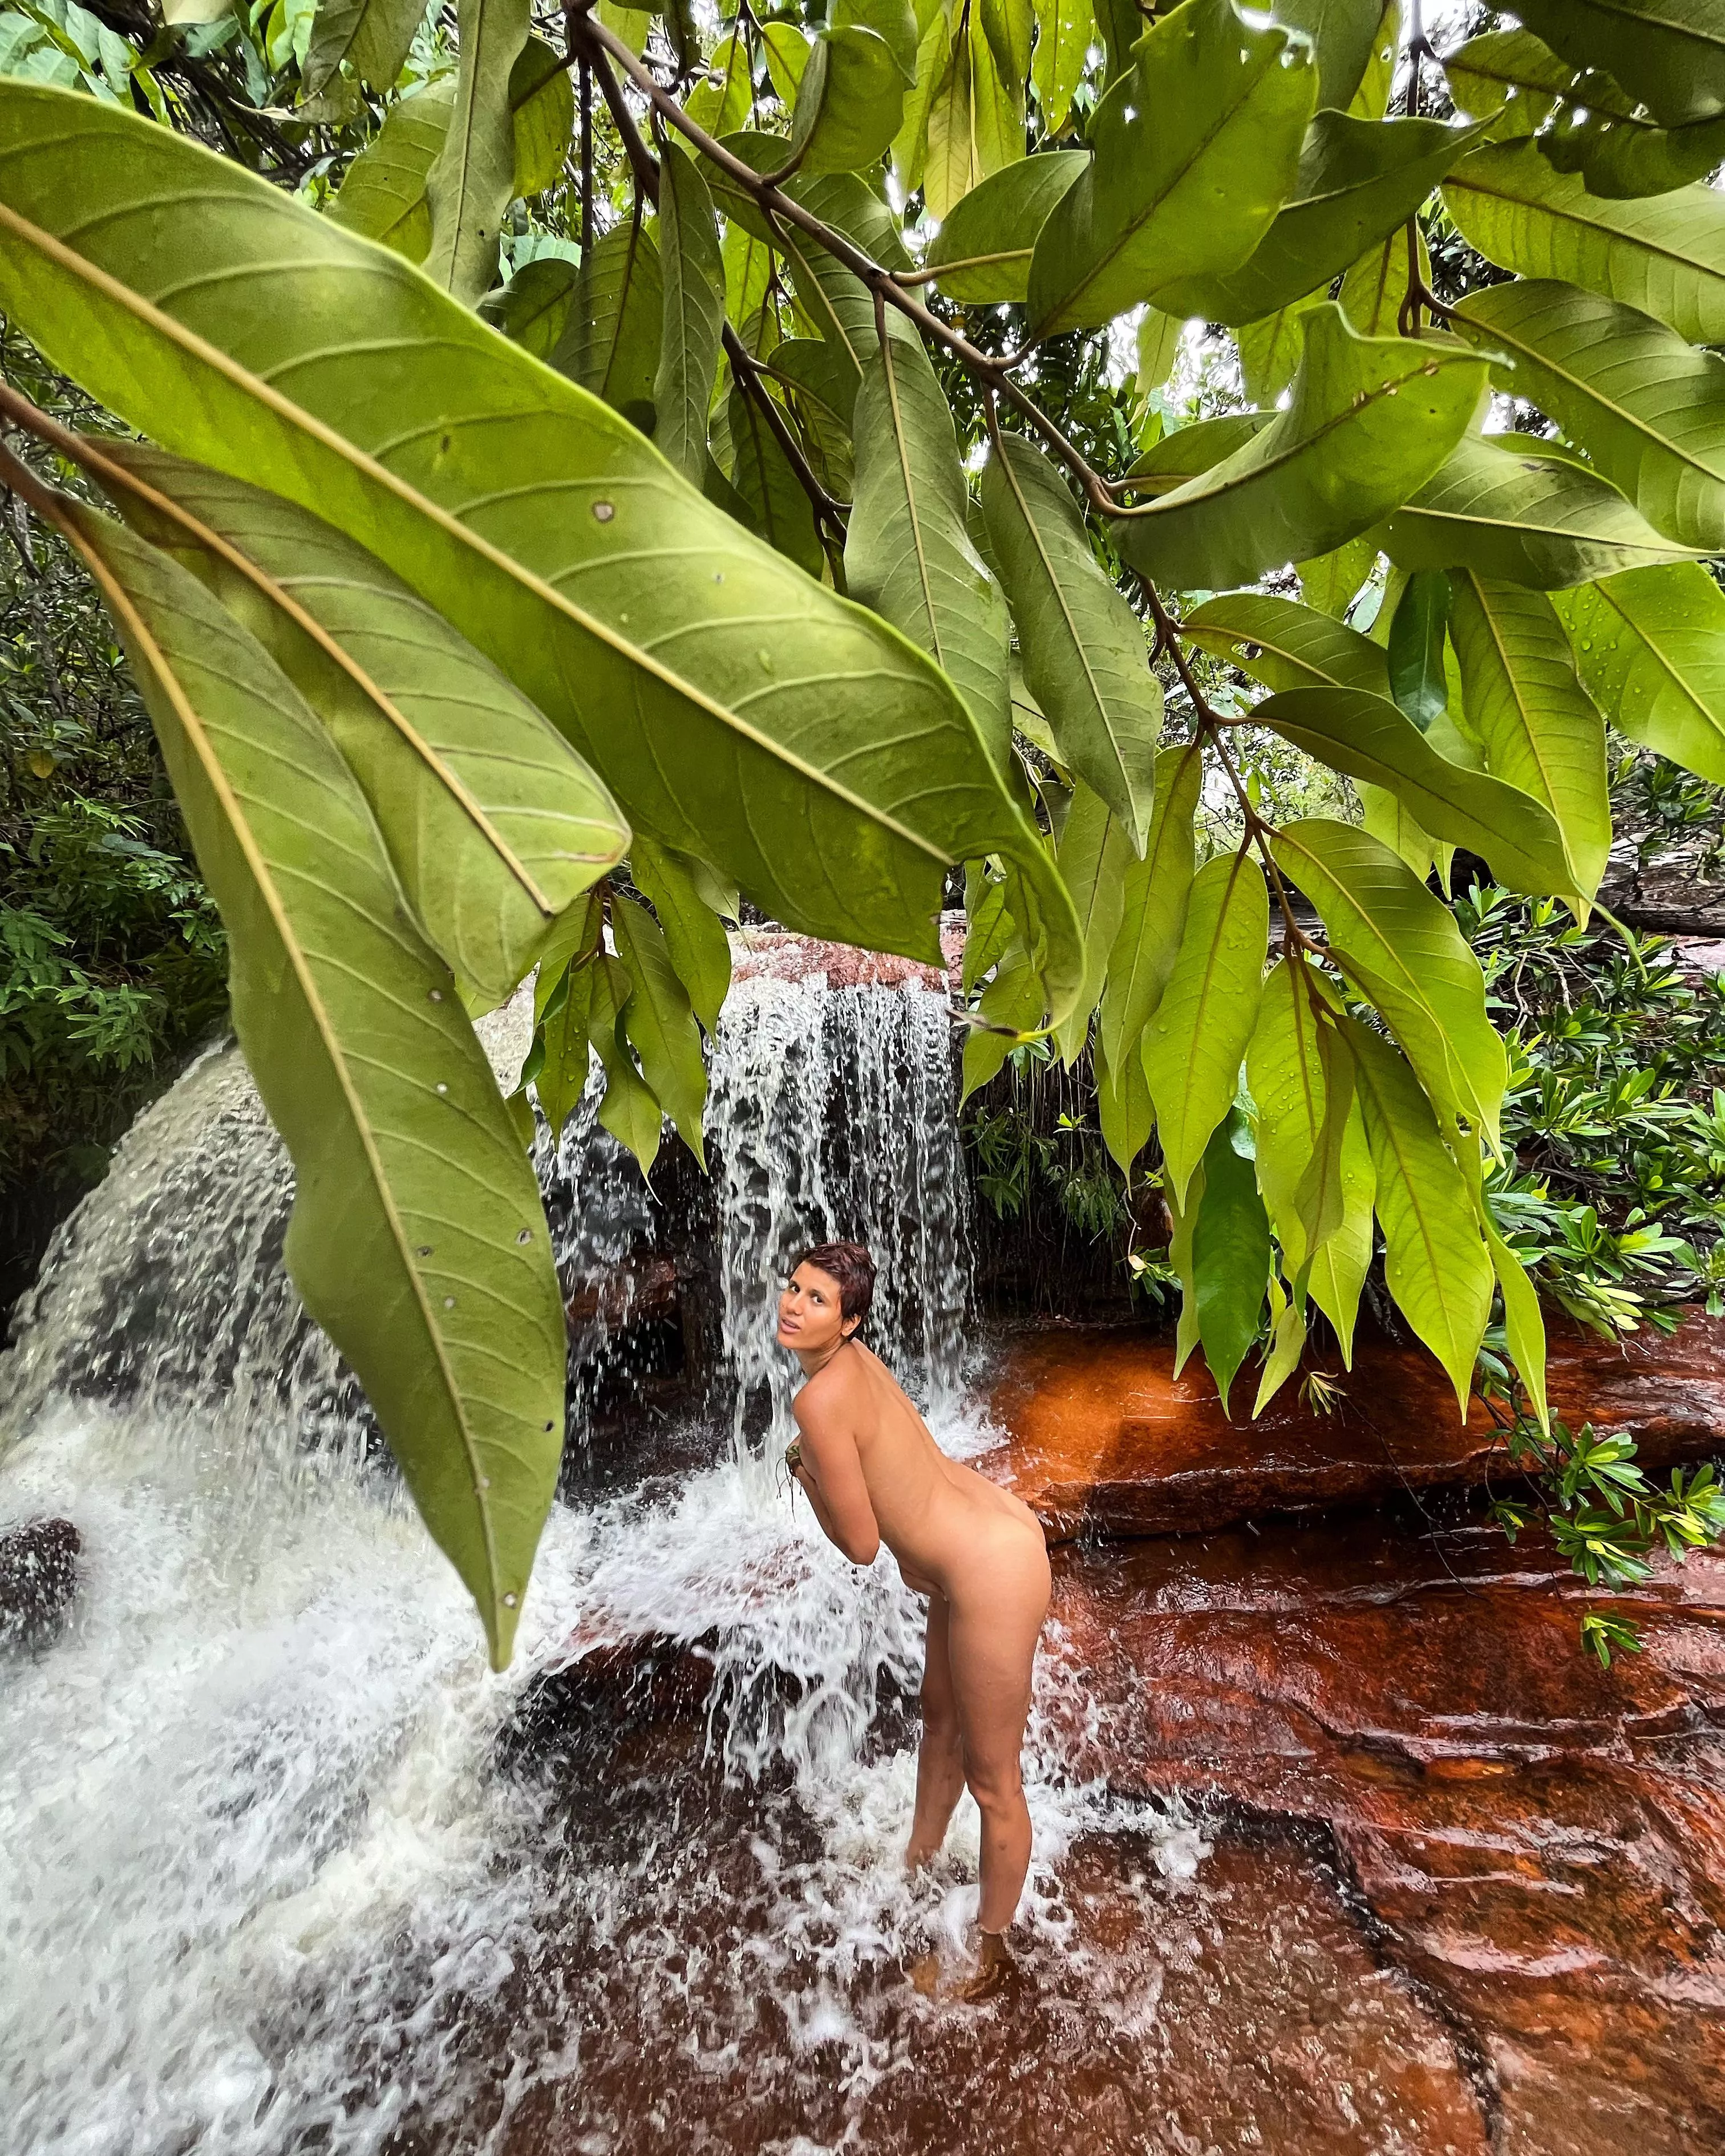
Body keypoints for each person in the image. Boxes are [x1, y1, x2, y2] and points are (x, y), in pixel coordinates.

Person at [778, 1239, 1051, 1984]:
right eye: (793, 1289)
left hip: (991, 1568)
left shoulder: (818, 1398)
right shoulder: (848, 1366)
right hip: (983, 1536)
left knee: (997, 1783)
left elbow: (863, 1545)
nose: (795, 1306)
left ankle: (992, 1958)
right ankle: (917, 1861)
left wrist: (804, 1477)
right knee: (940, 1715)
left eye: (817, 1299)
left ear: (851, 1322)